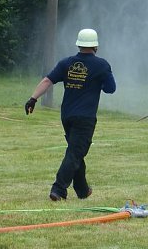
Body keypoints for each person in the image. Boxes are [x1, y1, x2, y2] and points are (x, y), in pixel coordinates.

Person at [24, 28, 117, 200]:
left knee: (76, 151)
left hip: (67, 116)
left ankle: (82, 190)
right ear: (95, 46)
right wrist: (100, 83)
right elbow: (111, 89)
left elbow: (47, 80)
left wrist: (33, 98)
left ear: (79, 45)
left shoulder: (66, 63)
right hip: (85, 118)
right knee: (75, 153)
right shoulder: (102, 65)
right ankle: (58, 189)